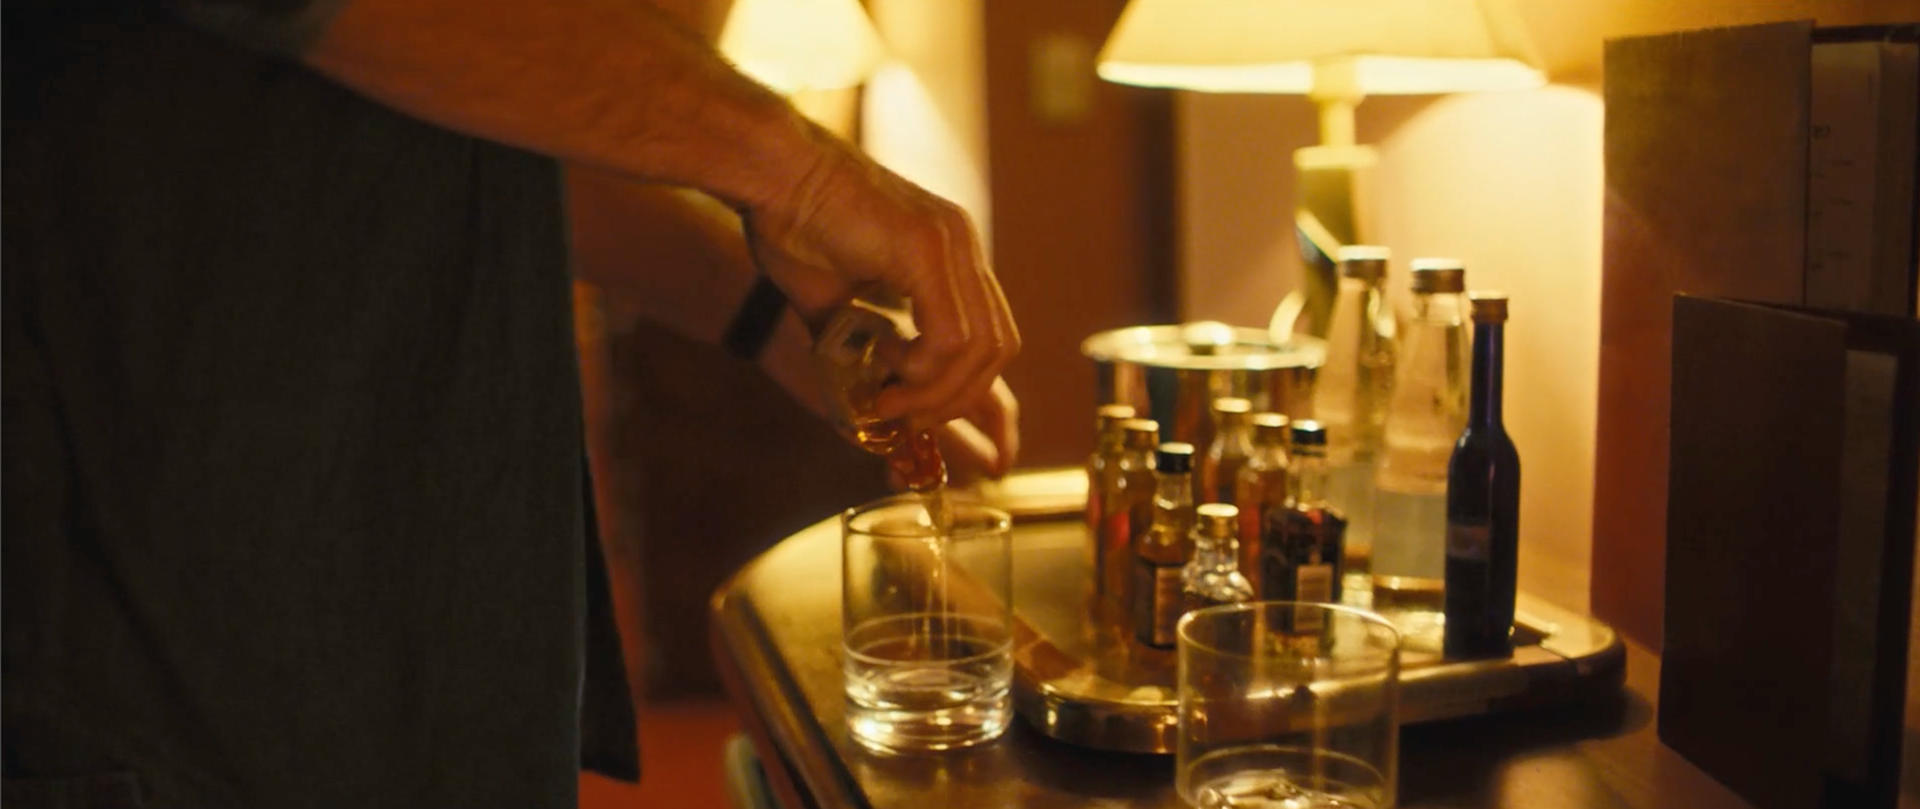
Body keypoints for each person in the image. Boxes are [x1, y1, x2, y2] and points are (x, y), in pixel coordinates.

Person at [1, 0, 1020, 806]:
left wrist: (776, 323)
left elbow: (486, 144)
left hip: (422, 631)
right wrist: (800, 173)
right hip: (171, 639)